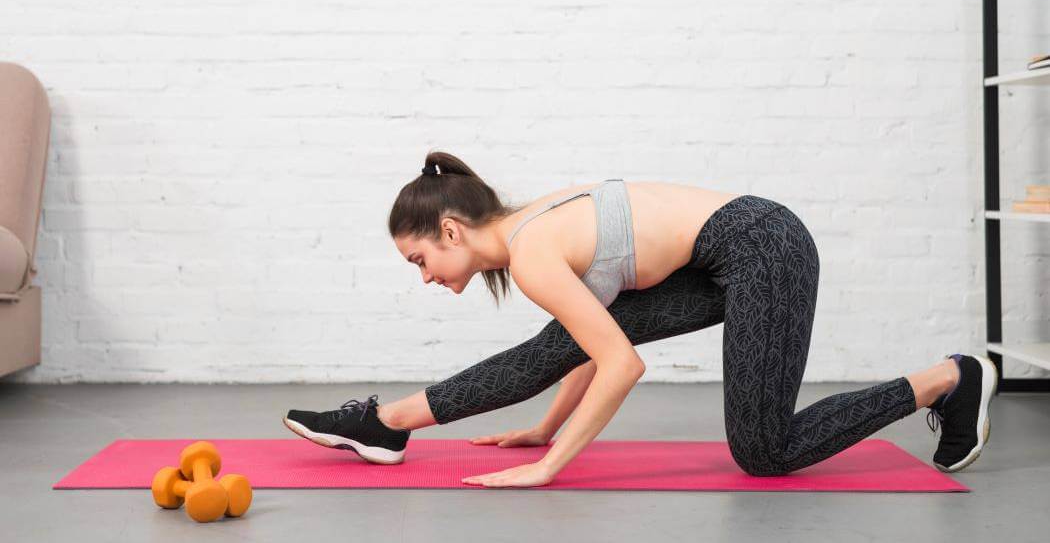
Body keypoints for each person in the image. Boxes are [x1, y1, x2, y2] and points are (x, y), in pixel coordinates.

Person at [282, 151, 997, 488]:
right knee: (547, 350)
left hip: (763, 250)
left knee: (765, 452)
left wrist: (550, 467)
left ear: (449, 231)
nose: (425, 279)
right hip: (726, 257)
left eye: (418, 261)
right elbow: (592, 343)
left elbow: (622, 363)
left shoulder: (533, 252)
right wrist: (546, 425)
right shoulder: (530, 234)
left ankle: (948, 378)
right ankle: (385, 423)